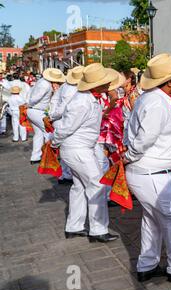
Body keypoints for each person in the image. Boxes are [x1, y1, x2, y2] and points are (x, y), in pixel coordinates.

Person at [123, 53, 171, 284]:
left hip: (146, 172)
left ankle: (147, 264)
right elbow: (144, 140)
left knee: (152, 219)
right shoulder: (157, 104)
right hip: (152, 173)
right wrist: (129, 156)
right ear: (170, 82)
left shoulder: (148, 99)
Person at [51, 63, 119, 243]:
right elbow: (66, 127)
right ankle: (98, 229)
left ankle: (74, 226)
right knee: (97, 184)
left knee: (80, 186)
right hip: (77, 149)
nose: (108, 86)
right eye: (104, 83)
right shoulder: (82, 101)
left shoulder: (88, 99)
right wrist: (54, 143)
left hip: (79, 148)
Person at [47, 66, 84, 184]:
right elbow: (63, 108)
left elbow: (54, 101)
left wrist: (51, 115)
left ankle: (65, 174)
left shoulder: (65, 86)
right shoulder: (71, 89)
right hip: (64, 120)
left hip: (61, 119)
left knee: (65, 149)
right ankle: (66, 174)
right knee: (68, 148)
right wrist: (52, 116)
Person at [27, 68, 65, 164]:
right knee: (49, 132)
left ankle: (35, 156)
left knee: (39, 134)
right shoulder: (46, 85)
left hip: (34, 110)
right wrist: (29, 104)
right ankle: (50, 156)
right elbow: (36, 97)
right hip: (37, 110)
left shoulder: (43, 82)